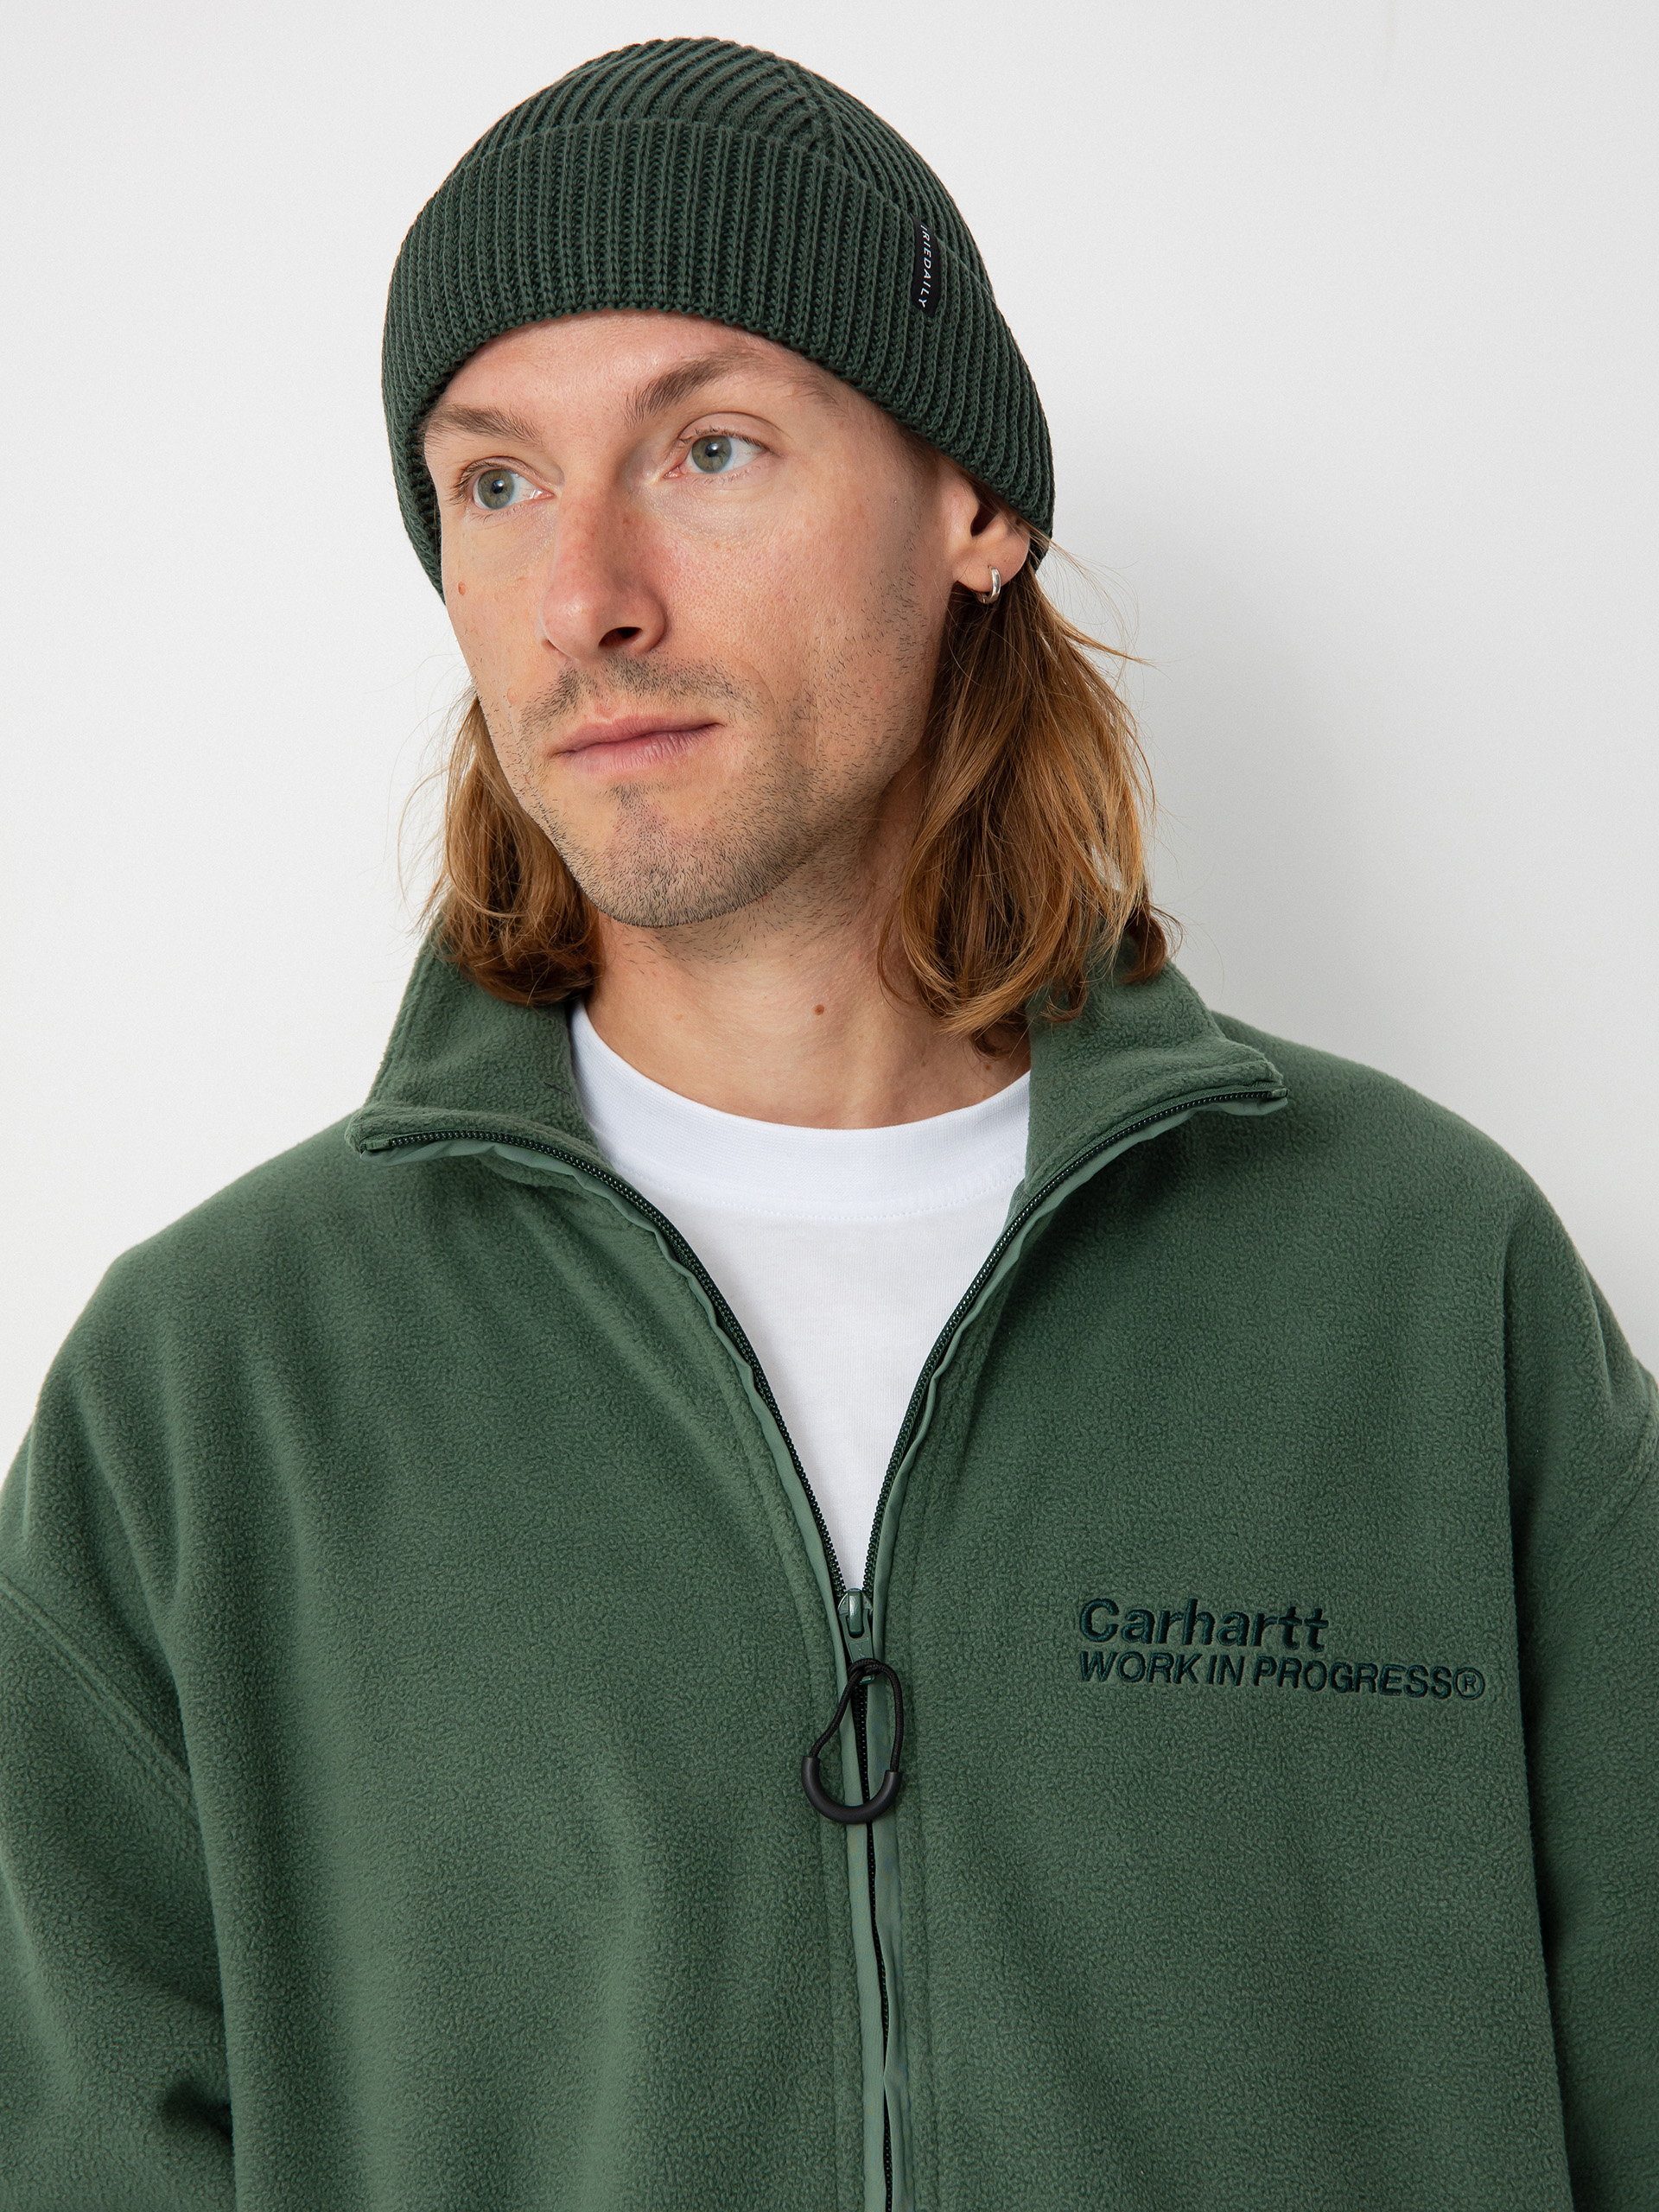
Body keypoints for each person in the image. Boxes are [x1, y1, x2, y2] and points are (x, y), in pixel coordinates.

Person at [1, 35, 1652, 2212]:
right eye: (494, 482)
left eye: (709, 447)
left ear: (976, 507)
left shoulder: (1427, 1289)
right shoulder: (212, 1394)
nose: (585, 594)